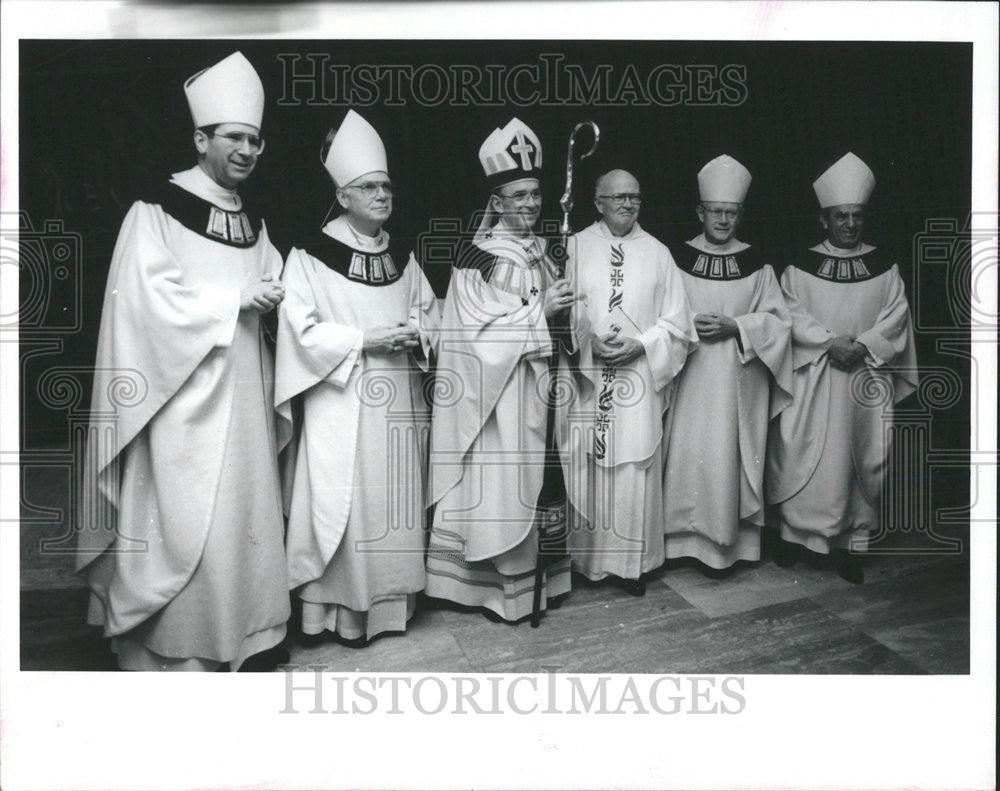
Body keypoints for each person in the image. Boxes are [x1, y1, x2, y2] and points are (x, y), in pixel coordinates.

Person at [76, 52, 290, 671]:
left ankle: (242, 636)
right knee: (187, 515)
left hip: (243, 394)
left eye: (255, 139)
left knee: (238, 518)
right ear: (201, 138)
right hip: (179, 401)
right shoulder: (156, 211)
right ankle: (176, 649)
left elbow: (267, 277)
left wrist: (276, 291)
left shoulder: (249, 219)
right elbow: (142, 303)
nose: (248, 150)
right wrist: (234, 299)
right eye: (234, 138)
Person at [275, 110, 439, 644]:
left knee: (391, 503)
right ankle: (335, 617)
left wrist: (417, 331)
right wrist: (363, 340)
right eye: (369, 187)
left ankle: (391, 608)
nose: (382, 195)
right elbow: (296, 331)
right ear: (343, 196)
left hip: (397, 403)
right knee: (345, 504)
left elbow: (428, 312)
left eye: (386, 186)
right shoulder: (308, 255)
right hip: (340, 405)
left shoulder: (401, 254)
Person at [425, 117, 585, 623]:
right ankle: (495, 591)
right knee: (501, 491)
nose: (531, 205)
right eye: (518, 196)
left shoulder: (541, 249)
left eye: (535, 195)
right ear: (496, 202)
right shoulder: (478, 258)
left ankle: (543, 582)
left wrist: (561, 316)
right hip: (498, 404)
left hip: (538, 393)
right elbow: (475, 342)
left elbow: (557, 323)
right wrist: (542, 314)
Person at [766, 152, 918, 583]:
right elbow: (788, 313)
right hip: (813, 379)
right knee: (801, 454)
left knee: (856, 460)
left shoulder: (884, 268)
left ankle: (851, 546)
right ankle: (794, 538)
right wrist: (828, 343)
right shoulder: (800, 268)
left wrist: (863, 345)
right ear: (824, 220)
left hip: (862, 384)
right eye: (841, 217)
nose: (850, 224)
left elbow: (896, 316)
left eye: (857, 216)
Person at [566, 169, 697, 594]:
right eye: (618, 197)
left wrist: (643, 345)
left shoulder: (658, 253)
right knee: (587, 461)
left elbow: (679, 324)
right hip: (588, 378)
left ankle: (630, 566)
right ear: (597, 201)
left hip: (638, 379)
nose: (627, 204)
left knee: (632, 467)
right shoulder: (575, 246)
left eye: (635, 197)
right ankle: (581, 562)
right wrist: (587, 341)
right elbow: (560, 309)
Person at [662, 155, 793, 572]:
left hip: (739, 382)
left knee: (728, 459)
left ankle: (730, 544)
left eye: (730, 213)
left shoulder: (758, 264)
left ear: (740, 215)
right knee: (687, 452)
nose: (722, 220)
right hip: (691, 377)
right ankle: (681, 541)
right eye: (716, 212)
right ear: (701, 212)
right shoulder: (676, 259)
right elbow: (661, 311)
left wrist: (737, 325)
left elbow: (779, 323)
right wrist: (687, 324)